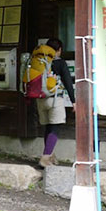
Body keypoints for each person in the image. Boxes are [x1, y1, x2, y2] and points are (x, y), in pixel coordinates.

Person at [37, 38, 75, 168]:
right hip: (54, 99)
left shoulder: (40, 62)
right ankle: (45, 157)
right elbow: (68, 82)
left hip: (40, 98)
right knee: (55, 127)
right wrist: (73, 101)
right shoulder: (60, 63)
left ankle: (50, 155)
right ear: (59, 50)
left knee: (48, 127)